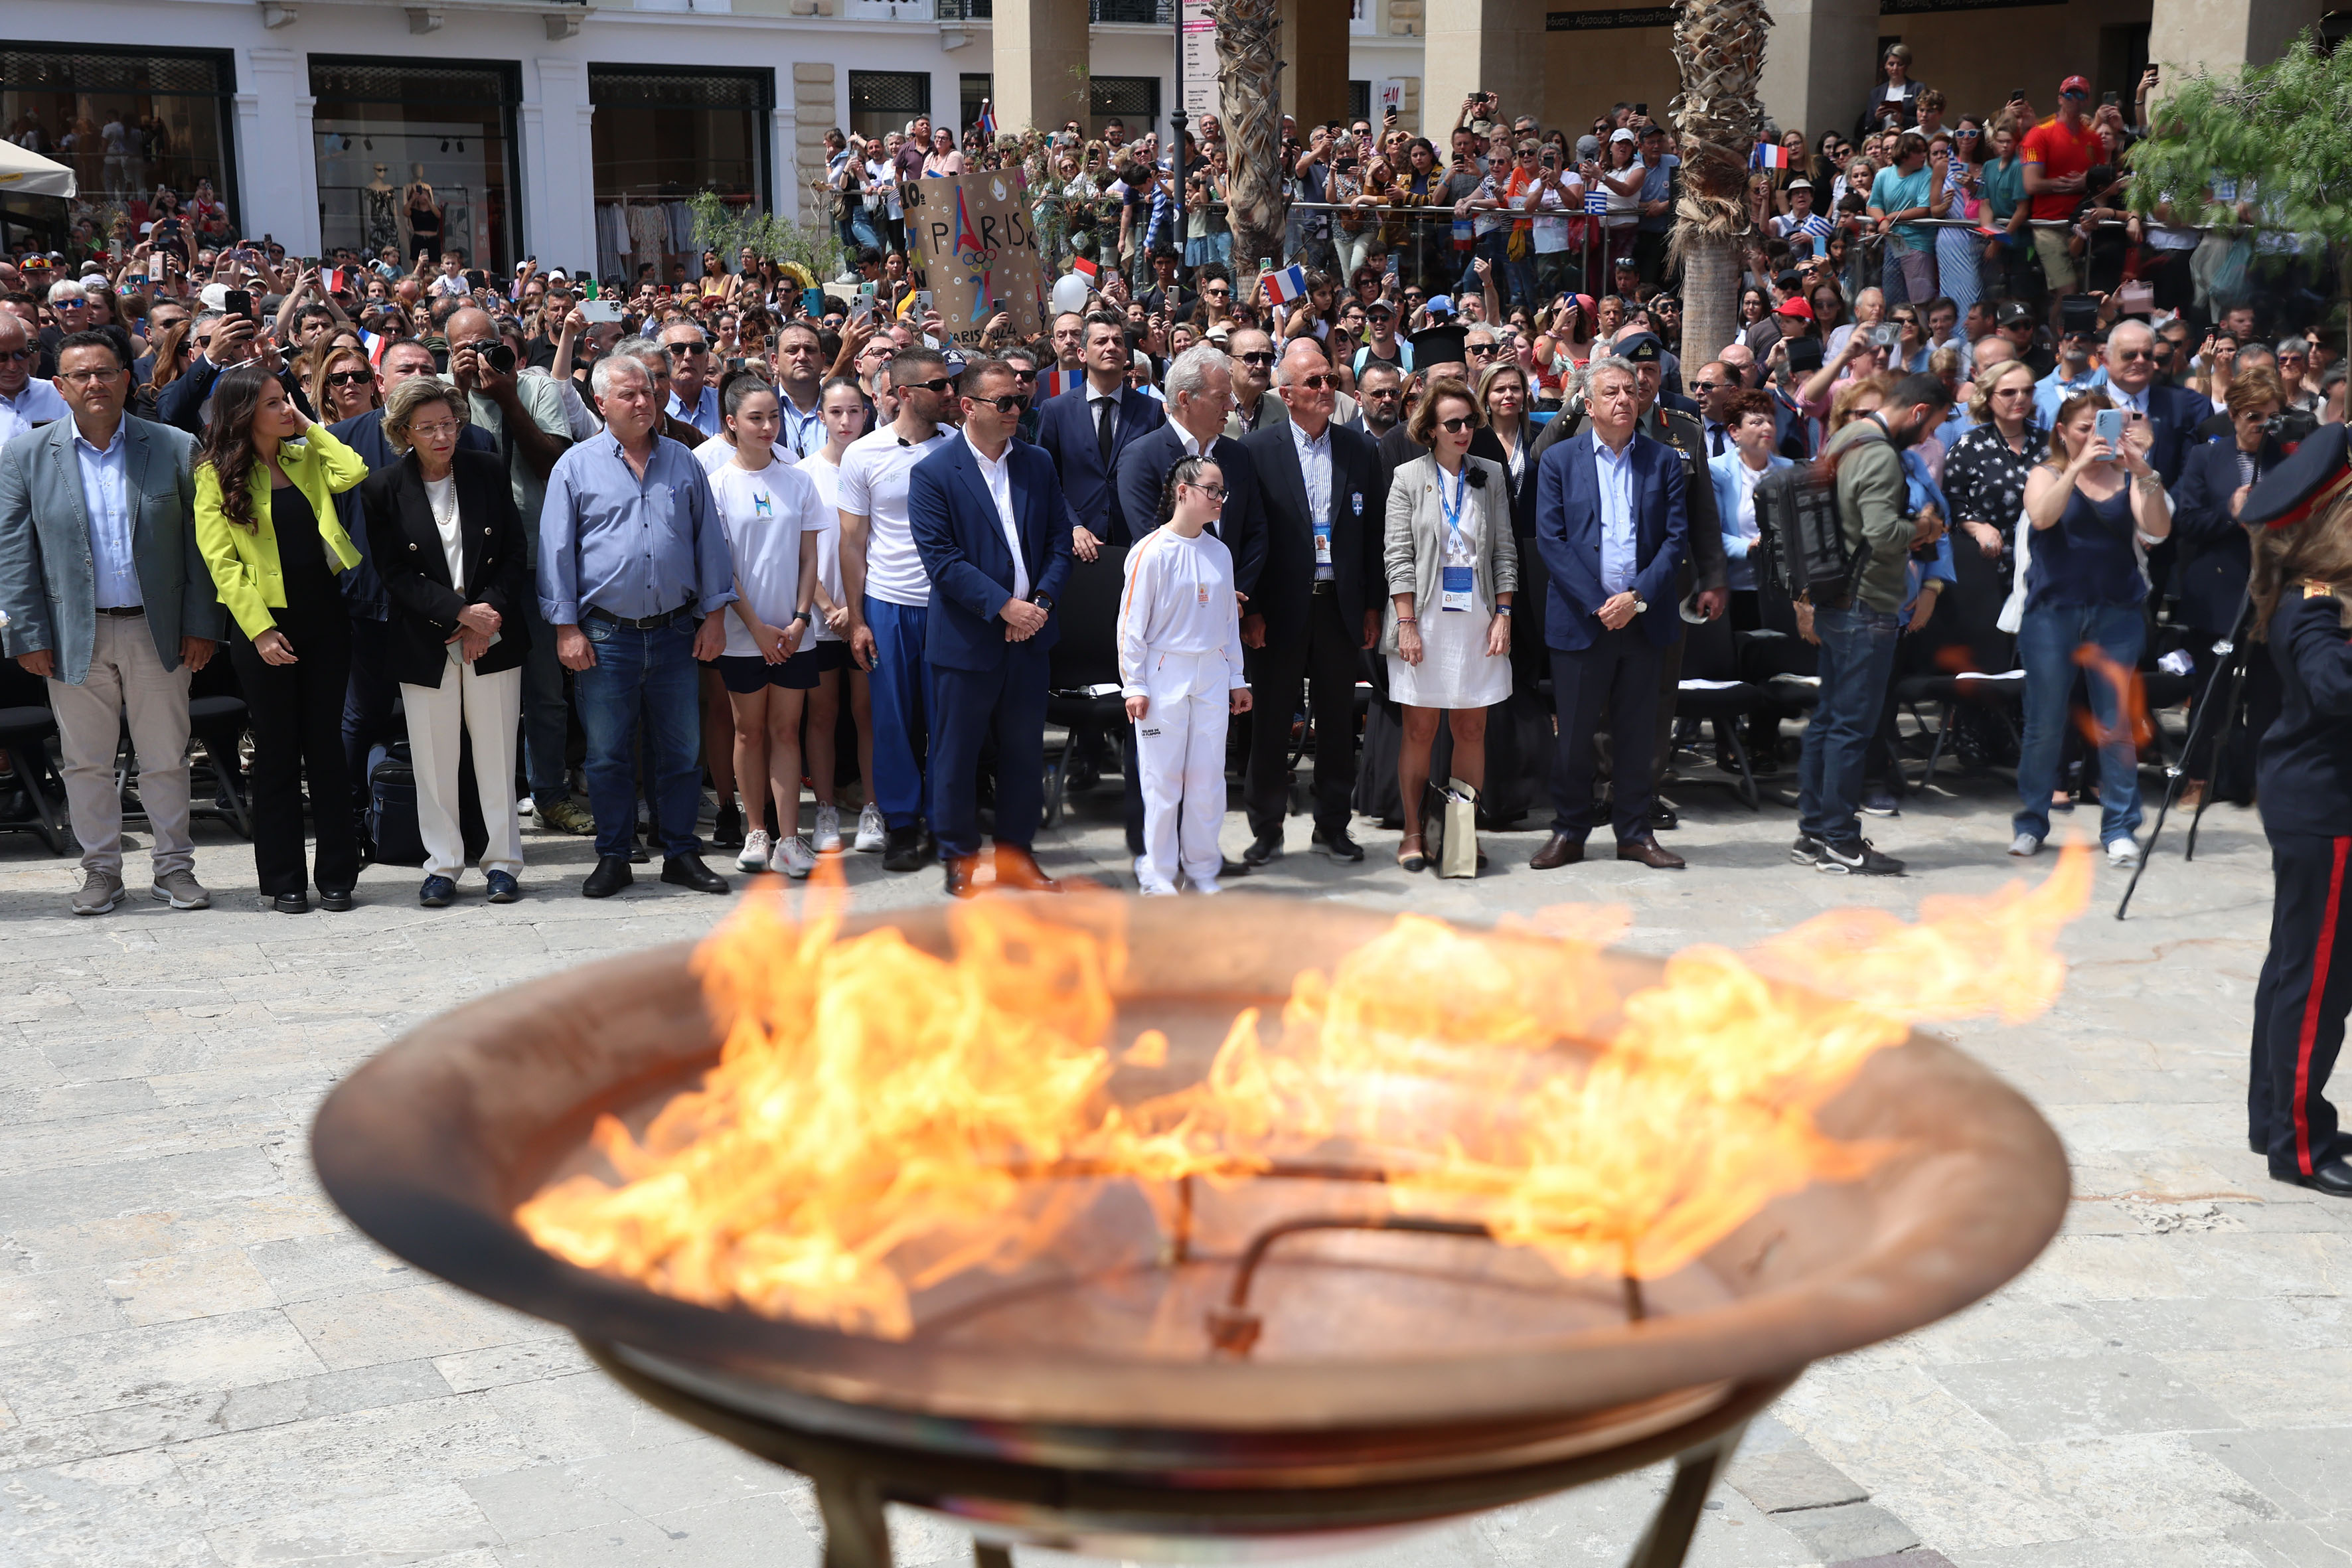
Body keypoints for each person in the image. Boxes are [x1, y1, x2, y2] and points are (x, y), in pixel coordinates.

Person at [0, 329, 220, 915]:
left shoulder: (175, 447)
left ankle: (175, 869)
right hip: (76, 635)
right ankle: (100, 872)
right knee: (85, 762)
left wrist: (202, 624)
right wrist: (28, 635)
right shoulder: (25, 455)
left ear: (127, 377)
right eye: (80, 376)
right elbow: (15, 553)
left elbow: (203, 546)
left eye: (105, 372)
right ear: (61, 387)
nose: (94, 384)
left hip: (158, 630)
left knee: (166, 757)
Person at [539, 353, 736, 900]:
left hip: (675, 631)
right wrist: (565, 628)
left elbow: (709, 544)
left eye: (648, 391)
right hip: (605, 636)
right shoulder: (574, 467)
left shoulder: (683, 461)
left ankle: (679, 853)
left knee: (679, 750)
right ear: (600, 402)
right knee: (607, 754)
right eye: (629, 394)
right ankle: (615, 854)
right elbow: (556, 551)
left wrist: (714, 616)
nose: (643, 401)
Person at [194, 364, 370, 913]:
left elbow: (355, 471)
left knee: (325, 749)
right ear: (246, 412)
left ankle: (338, 876)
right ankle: (283, 879)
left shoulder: (304, 454)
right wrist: (262, 629)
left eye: (287, 400)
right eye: (274, 403)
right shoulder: (213, 474)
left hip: (323, 616)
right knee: (274, 753)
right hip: (262, 626)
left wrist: (309, 423)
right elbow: (220, 563)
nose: (285, 410)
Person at [358, 376, 531, 907]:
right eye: (427, 427)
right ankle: (442, 864)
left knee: (497, 753)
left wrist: (486, 621)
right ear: (403, 432)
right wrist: (458, 614)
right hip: (426, 638)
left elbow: (513, 550)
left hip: (493, 636)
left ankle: (502, 862)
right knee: (434, 759)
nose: (441, 436)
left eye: (448, 424)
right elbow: (395, 574)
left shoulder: (485, 469)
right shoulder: (383, 487)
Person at [905, 356, 1072, 898]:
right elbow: (942, 560)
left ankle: (1016, 858)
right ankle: (958, 857)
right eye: (1003, 402)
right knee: (956, 753)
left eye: (1019, 401)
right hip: (968, 639)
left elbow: (1057, 541)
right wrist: (1005, 607)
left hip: (1031, 634)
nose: (1014, 411)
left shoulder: (1037, 463)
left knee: (1024, 753)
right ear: (967, 406)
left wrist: (1039, 604)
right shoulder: (932, 473)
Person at [2238, 430, 2352, 1198]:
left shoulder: (2313, 599)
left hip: (2309, 798)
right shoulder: (2317, 609)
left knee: (2293, 968)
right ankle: (2298, 1146)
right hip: (2327, 809)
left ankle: (2272, 1117)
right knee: (2317, 982)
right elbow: (2336, 691)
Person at [1529, 356, 1687, 872]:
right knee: (1574, 737)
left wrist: (1635, 600)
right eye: (1611, 392)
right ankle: (1570, 831)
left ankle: (1635, 834)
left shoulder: (1662, 460)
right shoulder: (1558, 461)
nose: (1624, 399)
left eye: (1630, 391)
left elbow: (1673, 541)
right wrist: (1601, 605)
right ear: (1589, 405)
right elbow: (1551, 543)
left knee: (1638, 735)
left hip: (1644, 620)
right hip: (1582, 621)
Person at [1794, 372, 1952, 876]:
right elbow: (1883, 532)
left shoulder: (1845, 436)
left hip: (1836, 601)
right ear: (1918, 411)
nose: (1927, 439)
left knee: (1827, 721)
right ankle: (1840, 840)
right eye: (1930, 428)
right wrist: (1924, 527)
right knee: (1849, 727)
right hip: (1867, 606)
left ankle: (1813, 833)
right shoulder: (1881, 453)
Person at [1237, 339, 1386, 866]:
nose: (1327, 390)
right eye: (1313, 383)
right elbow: (1248, 537)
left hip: (1339, 607)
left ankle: (1332, 826)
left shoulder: (1359, 450)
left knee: (1338, 723)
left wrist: (1371, 607)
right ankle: (1266, 830)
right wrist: (1250, 609)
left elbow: (1372, 538)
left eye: (1330, 379)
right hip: (1277, 610)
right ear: (1287, 394)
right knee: (1272, 723)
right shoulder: (1256, 451)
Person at [2011, 390, 2171, 865]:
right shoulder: (2045, 473)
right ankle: (2030, 823)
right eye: (2083, 427)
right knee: (2043, 723)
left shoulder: (2129, 476)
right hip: (2051, 611)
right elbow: (2042, 516)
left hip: (2115, 610)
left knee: (2115, 723)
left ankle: (2120, 826)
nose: (2094, 436)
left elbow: (2158, 531)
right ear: (2062, 431)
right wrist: (2077, 466)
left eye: (2101, 426)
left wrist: (2142, 468)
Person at [1384, 378, 1516, 872]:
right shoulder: (1406, 477)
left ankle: (1462, 834)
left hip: (1477, 617)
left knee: (1471, 726)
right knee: (1419, 728)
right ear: (1430, 429)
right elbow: (1396, 555)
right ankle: (1413, 830)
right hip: (1424, 615)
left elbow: (1504, 550)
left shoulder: (1490, 475)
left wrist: (1504, 614)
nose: (1464, 431)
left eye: (1470, 422)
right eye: (1453, 423)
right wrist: (1406, 623)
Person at [706, 372, 830, 880]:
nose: (767, 427)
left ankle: (789, 838)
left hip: (794, 634)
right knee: (748, 731)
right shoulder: (716, 485)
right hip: (743, 635)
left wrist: (800, 619)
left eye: (773, 417)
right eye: (755, 419)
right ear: (731, 423)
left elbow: (808, 557)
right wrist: (755, 627)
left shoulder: (797, 478)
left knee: (786, 730)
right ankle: (754, 828)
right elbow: (722, 568)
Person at [838, 345, 957, 871]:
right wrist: (858, 619)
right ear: (904, 394)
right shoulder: (863, 454)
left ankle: (946, 820)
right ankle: (902, 824)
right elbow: (851, 543)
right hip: (889, 605)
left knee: (948, 721)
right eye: (939, 385)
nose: (950, 393)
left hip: (951, 607)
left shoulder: (960, 448)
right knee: (892, 721)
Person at [1118, 455, 1251, 896]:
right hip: (1163, 675)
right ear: (1182, 491)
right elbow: (1131, 625)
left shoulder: (1219, 551)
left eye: (1221, 491)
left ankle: (1200, 870)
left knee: (1207, 780)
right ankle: (1157, 875)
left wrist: (1237, 677)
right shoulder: (1151, 552)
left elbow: (1227, 622)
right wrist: (1134, 685)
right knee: (1162, 781)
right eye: (1210, 490)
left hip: (1211, 674)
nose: (1218, 499)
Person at [2171, 366, 2287, 805]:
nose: (2261, 426)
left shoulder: (2288, 458)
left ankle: (2260, 782)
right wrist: (2229, 512)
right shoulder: (2205, 456)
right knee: (2210, 693)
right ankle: (2198, 778)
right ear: (2235, 414)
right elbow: (2185, 520)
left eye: (2270, 416)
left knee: (2267, 694)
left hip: (2269, 591)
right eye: (2253, 416)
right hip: (2217, 589)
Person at [1040, 310, 1166, 562]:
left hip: (1139, 544)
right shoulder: (1056, 410)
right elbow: (1046, 479)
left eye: (1118, 341)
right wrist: (1072, 526)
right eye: (1101, 341)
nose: (1111, 347)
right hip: (1079, 546)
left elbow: (1163, 478)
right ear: (1082, 354)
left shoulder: (1150, 410)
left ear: (1126, 354)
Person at [2020, 78, 2104, 320]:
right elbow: (2031, 183)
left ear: (2087, 100)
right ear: (2060, 98)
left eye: (2080, 95)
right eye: (2069, 95)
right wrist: (2071, 185)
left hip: (2083, 223)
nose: (2074, 101)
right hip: (2049, 224)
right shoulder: (2039, 134)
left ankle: (2064, 339)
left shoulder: (2094, 138)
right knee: (2068, 291)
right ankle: (2063, 344)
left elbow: (2102, 181)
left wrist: (2086, 182)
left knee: (2081, 290)